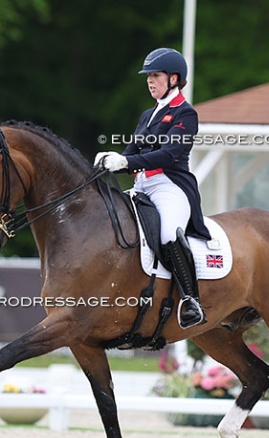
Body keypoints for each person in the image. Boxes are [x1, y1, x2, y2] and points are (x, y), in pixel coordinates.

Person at [94, 48, 210, 329]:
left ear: (174, 78)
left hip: (170, 185)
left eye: (155, 76)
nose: (150, 81)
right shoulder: (148, 115)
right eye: (148, 76)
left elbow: (169, 154)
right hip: (142, 185)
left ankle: (191, 300)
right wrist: (112, 161)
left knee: (170, 233)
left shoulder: (186, 114)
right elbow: (132, 152)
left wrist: (127, 160)